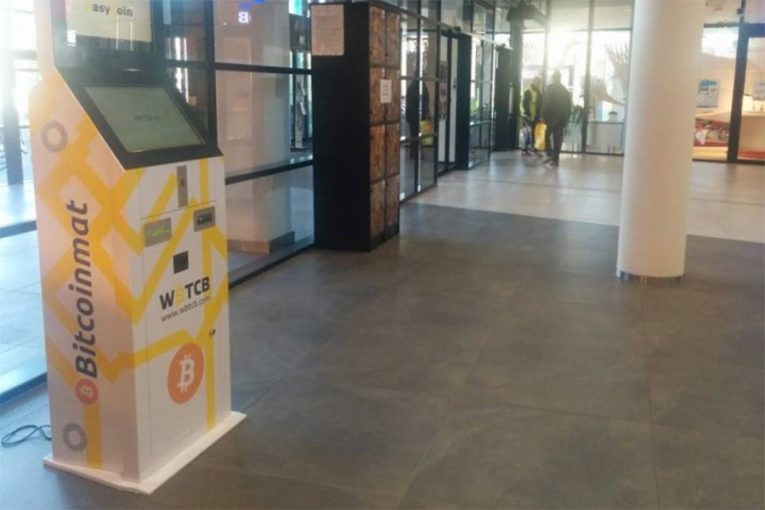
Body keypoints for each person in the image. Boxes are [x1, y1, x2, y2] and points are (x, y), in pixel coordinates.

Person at [541, 71, 572, 167]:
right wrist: (566, 118)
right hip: (561, 119)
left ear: (553, 78)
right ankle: (555, 160)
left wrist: (543, 116)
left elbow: (546, 103)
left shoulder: (550, 89)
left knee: (545, 135)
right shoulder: (565, 90)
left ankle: (549, 154)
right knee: (557, 139)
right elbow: (569, 106)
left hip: (550, 118)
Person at [406, 81, 429, 159]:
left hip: (413, 116)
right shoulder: (422, 87)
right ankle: (418, 152)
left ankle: (413, 152)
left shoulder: (411, 87)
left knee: (413, 134)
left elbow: (408, 102)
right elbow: (426, 100)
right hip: (419, 115)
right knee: (420, 135)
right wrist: (427, 112)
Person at [521, 77, 543, 155]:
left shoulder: (539, 93)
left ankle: (533, 148)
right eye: (537, 82)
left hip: (535, 116)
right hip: (528, 116)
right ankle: (525, 149)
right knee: (527, 132)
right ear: (533, 82)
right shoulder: (528, 92)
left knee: (535, 133)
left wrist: (539, 115)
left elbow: (540, 104)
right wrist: (528, 114)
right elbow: (525, 104)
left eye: (539, 83)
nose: (538, 84)